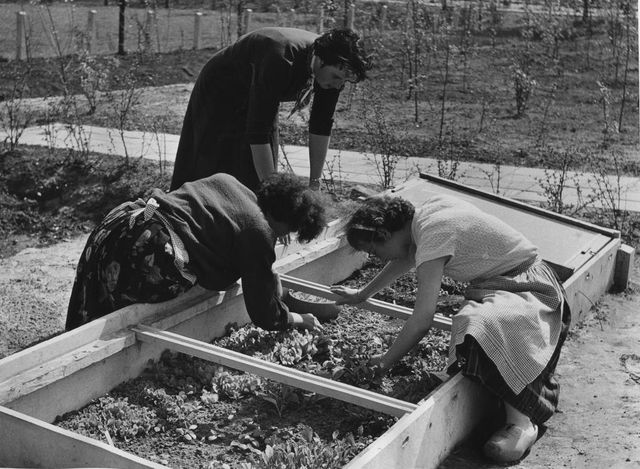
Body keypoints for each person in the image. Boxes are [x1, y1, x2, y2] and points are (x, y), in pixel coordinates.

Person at [330, 194, 570, 463]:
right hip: (507, 283)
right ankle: (493, 392)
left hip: (530, 289)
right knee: (473, 322)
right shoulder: (426, 214)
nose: (376, 258)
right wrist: (364, 293)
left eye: (375, 252)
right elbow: (406, 256)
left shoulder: (433, 235)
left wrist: (385, 362)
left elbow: (422, 319)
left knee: (479, 325)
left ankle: (522, 421)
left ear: (385, 233)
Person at [66, 173, 336, 332]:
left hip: (122, 222)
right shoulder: (260, 231)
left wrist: (267, 278)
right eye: (287, 231)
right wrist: (299, 319)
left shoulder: (230, 183)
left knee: (96, 303)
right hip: (147, 249)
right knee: (124, 318)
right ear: (285, 220)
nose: (281, 237)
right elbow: (263, 315)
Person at [169, 27, 372, 193]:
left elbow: (321, 124)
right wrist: (275, 198)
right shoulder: (281, 59)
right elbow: (257, 132)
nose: (338, 86)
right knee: (210, 170)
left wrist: (314, 183)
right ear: (319, 60)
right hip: (221, 91)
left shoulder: (333, 72)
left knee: (259, 176)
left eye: (344, 82)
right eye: (337, 77)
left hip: (259, 91)